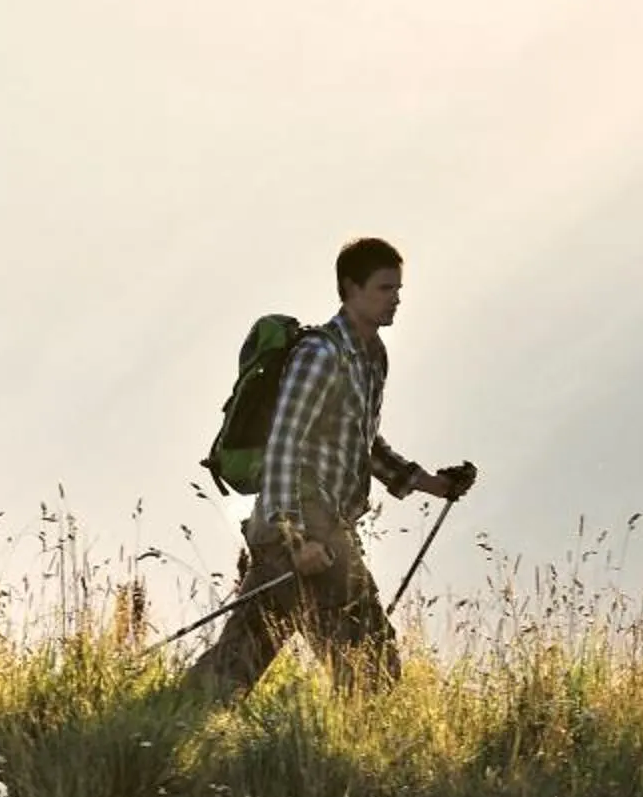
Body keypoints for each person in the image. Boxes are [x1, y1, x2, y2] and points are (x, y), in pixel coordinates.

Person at [183, 237, 475, 696]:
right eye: (384, 288)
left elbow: (364, 444)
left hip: (317, 529)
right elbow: (284, 444)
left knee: (232, 671)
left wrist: (432, 484)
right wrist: (296, 539)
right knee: (373, 669)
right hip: (304, 528)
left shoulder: (373, 358)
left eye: (398, 289)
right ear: (351, 288)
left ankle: (157, 723)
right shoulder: (319, 355)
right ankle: (363, 744)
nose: (396, 299)